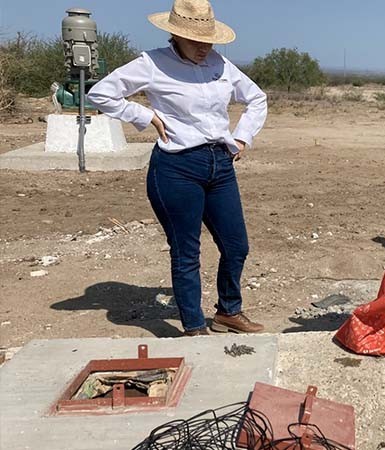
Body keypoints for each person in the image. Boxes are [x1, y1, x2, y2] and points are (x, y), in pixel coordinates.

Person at [88, 0, 267, 336]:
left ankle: (228, 312)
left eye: (208, 39)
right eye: (196, 40)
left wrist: (242, 137)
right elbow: (101, 94)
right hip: (177, 167)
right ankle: (194, 327)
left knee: (236, 246)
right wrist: (145, 116)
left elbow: (257, 98)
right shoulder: (152, 63)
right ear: (176, 35)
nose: (204, 47)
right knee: (186, 252)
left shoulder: (220, 64)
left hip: (220, 165)